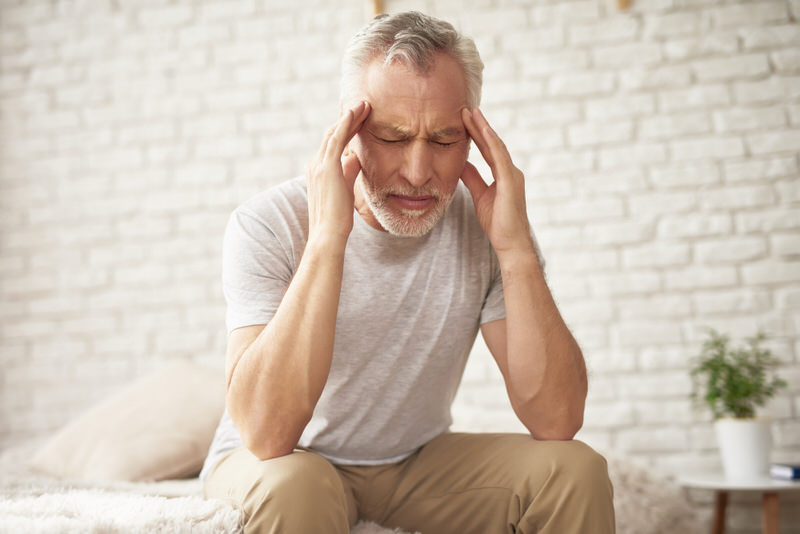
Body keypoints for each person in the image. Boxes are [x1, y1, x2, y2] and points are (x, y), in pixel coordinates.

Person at [200, 11, 615, 534]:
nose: (419, 174)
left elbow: (556, 420)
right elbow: (265, 433)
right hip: (284, 463)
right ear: (348, 131)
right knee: (294, 485)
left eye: (443, 141)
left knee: (575, 471)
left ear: (473, 137)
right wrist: (329, 238)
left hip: (413, 465)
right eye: (392, 138)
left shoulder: (488, 226)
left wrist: (516, 251)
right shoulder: (268, 224)